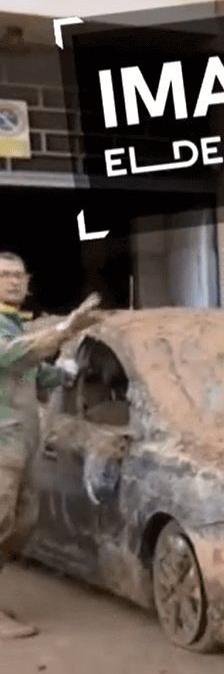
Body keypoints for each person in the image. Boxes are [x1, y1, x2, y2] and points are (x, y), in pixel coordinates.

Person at [2, 252, 102, 640]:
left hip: (21, 440)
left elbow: (32, 371)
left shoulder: (13, 323)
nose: (13, 281)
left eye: (18, 275)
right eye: (5, 275)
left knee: (21, 521)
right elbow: (12, 355)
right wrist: (63, 330)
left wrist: (62, 373)